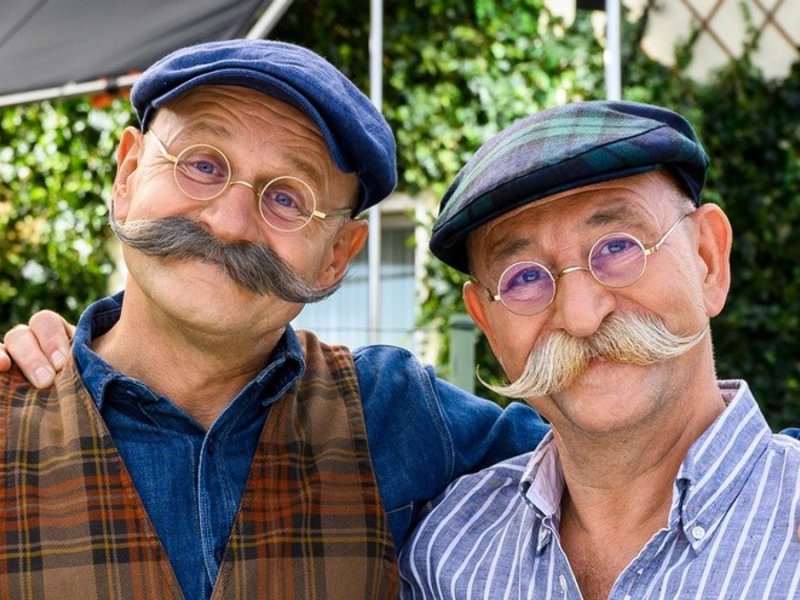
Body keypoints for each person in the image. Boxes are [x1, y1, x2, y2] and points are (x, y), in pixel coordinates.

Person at [0, 39, 549, 599]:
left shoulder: (395, 412)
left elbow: (600, 473)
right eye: (203, 164)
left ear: (336, 254)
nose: (229, 221)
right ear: (129, 174)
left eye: (288, 198)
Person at [398, 100, 800, 599]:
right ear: (490, 326)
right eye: (524, 278)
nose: (581, 316)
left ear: (707, 260)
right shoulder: (448, 553)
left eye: (617, 247)